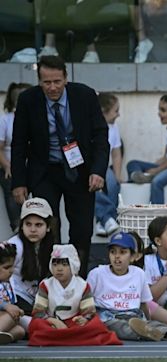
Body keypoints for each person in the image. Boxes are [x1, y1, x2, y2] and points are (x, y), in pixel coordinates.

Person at [11, 55, 110, 278]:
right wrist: (19, 182)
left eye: (57, 81)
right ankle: (49, 282)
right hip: (45, 170)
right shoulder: (28, 100)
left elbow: (101, 135)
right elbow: (18, 143)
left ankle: (79, 281)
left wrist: (98, 170)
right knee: (49, 227)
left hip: (80, 170)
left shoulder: (84, 95)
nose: (52, 87)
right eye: (47, 82)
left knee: (82, 229)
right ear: (39, 81)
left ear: (66, 78)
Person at [28, 244, 121, 346]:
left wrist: (84, 319)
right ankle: (70, 337)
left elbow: (89, 311)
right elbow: (38, 312)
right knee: (37, 323)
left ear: (73, 265)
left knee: (96, 324)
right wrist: (54, 322)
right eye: (55, 265)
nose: (59, 269)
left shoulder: (82, 285)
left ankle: (60, 337)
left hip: (74, 322)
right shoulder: (45, 285)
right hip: (51, 322)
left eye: (64, 265)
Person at [86, 232, 167, 341]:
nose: (117, 256)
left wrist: (147, 320)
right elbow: (86, 299)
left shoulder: (139, 273)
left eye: (122, 252)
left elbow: (143, 304)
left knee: (155, 324)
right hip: (108, 317)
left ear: (133, 257)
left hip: (134, 316)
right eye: (113, 252)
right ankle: (146, 332)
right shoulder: (97, 274)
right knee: (117, 326)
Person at [8, 197, 56, 315]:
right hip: (13, 297)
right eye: (28, 224)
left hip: (37, 299)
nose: (33, 229)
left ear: (48, 227)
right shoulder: (14, 245)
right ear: (22, 225)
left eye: (38, 225)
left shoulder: (52, 246)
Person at [0, 82, 31, 232]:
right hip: (9, 166)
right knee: (10, 182)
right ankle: (18, 227)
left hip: (32, 166)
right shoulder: (5, 120)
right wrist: (7, 165)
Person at [94, 93, 123, 237]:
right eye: (116, 110)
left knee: (113, 184)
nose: (118, 114)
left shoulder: (114, 128)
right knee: (92, 188)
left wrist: (118, 174)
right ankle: (107, 219)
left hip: (105, 166)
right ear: (103, 111)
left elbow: (116, 153)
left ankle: (102, 222)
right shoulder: (91, 125)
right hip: (90, 166)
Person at [0, 242, 25, 345]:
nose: (11, 271)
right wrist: (6, 306)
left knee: (20, 330)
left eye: (12, 267)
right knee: (10, 317)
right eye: (6, 268)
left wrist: (17, 311)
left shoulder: (9, 283)